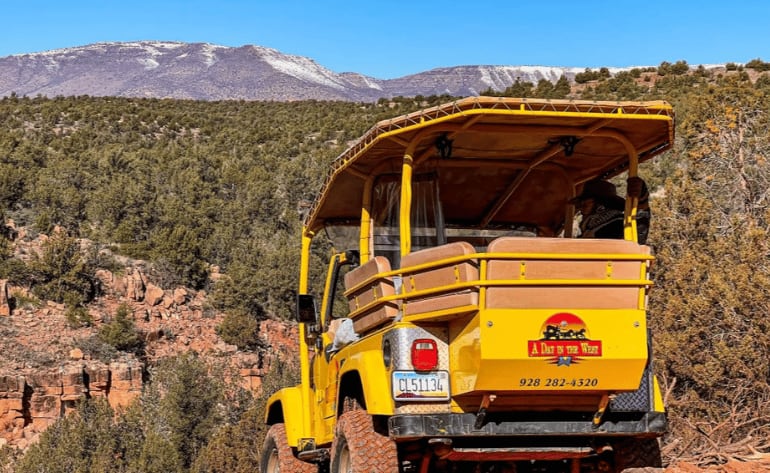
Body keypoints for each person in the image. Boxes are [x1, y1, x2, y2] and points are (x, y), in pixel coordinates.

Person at [571, 177, 650, 244]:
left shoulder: (617, 224)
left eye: (585, 204)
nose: (581, 209)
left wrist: (642, 197)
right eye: (580, 205)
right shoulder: (590, 228)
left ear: (599, 206)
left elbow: (639, 231)